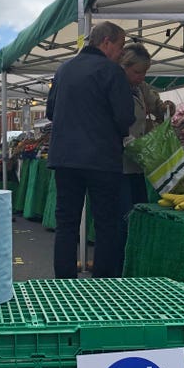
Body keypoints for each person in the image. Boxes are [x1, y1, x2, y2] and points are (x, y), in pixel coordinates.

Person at [46, 21, 135, 278]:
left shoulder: (63, 70)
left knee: (66, 224)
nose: (121, 53)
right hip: (101, 159)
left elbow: (51, 111)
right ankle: (103, 283)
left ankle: (63, 283)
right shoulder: (112, 71)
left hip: (65, 158)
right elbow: (124, 117)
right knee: (107, 223)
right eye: (120, 46)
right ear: (106, 42)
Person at [120, 42, 168, 263]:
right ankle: (122, 258)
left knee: (138, 210)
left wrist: (166, 108)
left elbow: (158, 106)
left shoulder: (141, 88)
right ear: (123, 66)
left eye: (144, 72)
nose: (140, 76)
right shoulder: (115, 86)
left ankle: (135, 256)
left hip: (138, 161)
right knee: (124, 214)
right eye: (137, 71)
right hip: (118, 163)